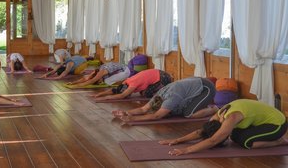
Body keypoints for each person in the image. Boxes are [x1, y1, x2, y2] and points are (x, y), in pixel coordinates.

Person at [159, 99, 288, 156]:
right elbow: (202, 132)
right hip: (259, 122)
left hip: (277, 124)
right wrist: (177, 140)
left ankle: (280, 141)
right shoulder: (218, 116)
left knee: (247, 143)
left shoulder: (230, 118)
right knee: (235, 136)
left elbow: (213, 140)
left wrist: (186, 150)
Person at [112, 77, 216, 121]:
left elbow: (157, 116)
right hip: (192, 84)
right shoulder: (158, 95)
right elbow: (143, 109)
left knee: (189, 114)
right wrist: (126, 112)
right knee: (181, 110)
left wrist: (133, 119)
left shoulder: (171, 98)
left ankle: (215, 109)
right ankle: (202, 104)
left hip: (206, 87)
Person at [93, 69, 173, 101]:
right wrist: (99, 94)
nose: (129, 94)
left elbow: (122, 96)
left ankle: (165, 89)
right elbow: (115, 90)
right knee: (142, 92)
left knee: (146, 94)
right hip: (158, 72)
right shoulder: (126, 81)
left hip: (164, 77)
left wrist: (104, 98)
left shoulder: (132, 84)